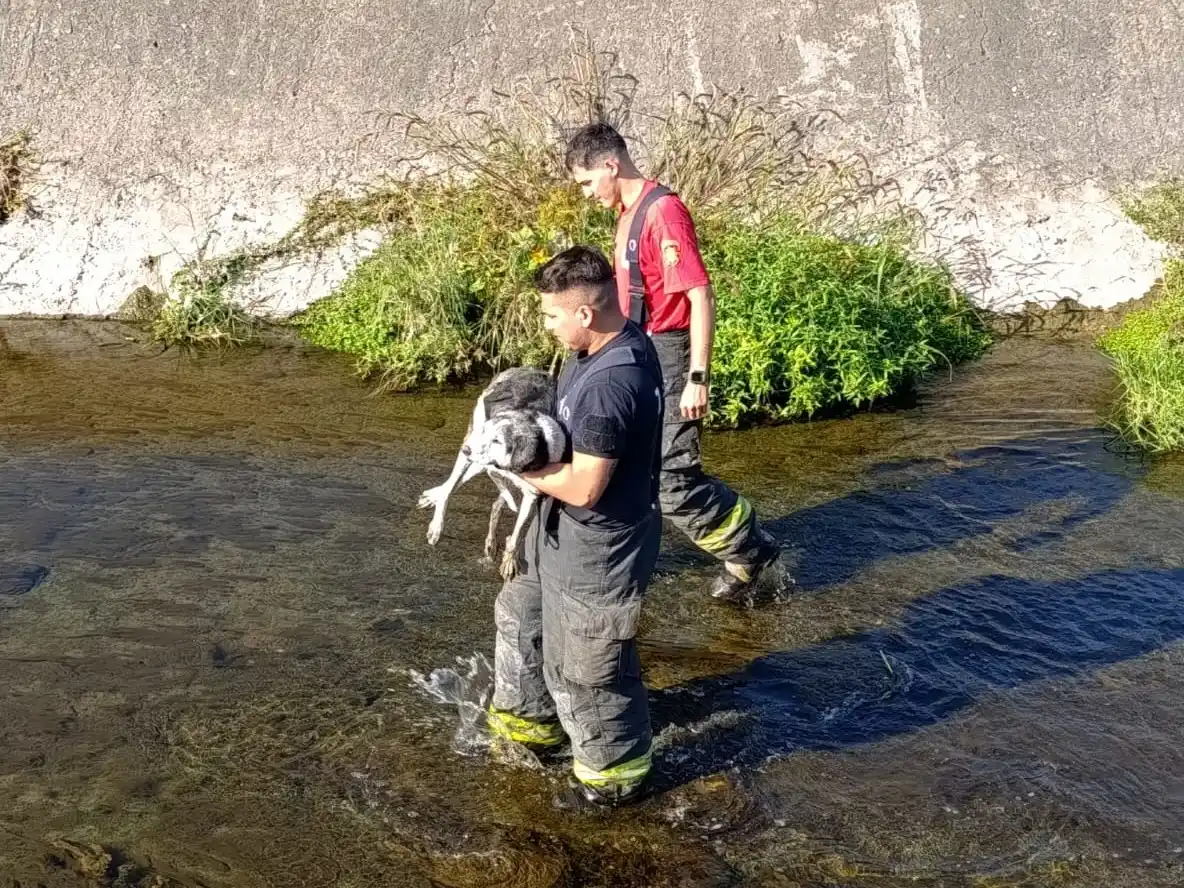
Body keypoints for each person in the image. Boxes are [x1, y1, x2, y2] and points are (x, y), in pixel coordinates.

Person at [564, 122, 782, 601]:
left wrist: (697, 378)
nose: (586, 194)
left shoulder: (663, 213)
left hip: (671, 354)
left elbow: (700, 294)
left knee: (674, 480)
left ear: (609, 165)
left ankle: (750, 548)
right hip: (638, 350)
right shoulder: (627, 214)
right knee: (625, 465)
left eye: (586, 182)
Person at [485, 245, 665, 809]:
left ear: (584, 314)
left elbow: (586, 486)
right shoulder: (605, 343)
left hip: (599, 543)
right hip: (557, 527)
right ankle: (529, 729)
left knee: (587, 667)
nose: (548, 327)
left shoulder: (611, 385)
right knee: (522, 616)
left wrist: (518, 463)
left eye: (551, 316)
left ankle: (613, 778)